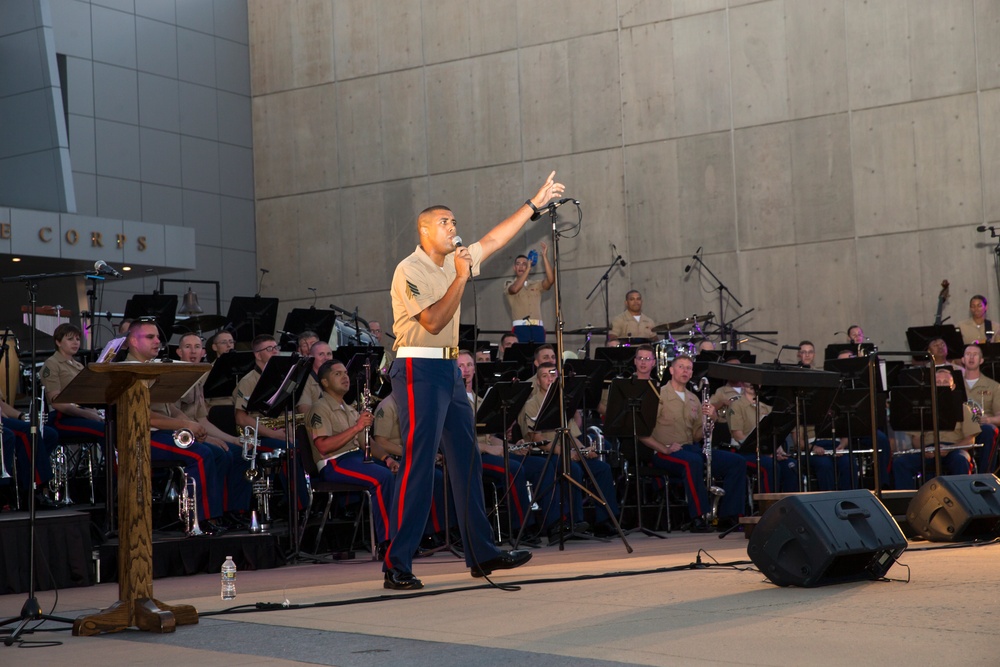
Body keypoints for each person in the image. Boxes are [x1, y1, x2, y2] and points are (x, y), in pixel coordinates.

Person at [382, 170, 564, 590]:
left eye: (455, 222)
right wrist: (462, 275)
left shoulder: (455, 259)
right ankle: (397, 563)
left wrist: (533, 205)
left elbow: (497, 238)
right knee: (419, 464)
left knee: (467, 459)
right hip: (417, 366)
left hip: (447, 368)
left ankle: (481, 554)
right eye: (445, 222)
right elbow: (430, 321)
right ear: (425, 229)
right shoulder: (410, 268)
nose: (454, 228)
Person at [124, 320, 229, 529]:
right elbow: (146, 417)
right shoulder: (129, 371)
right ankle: (198, 519)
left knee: (218, 453)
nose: (158, 341)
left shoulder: (154, 368)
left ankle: (217, 514)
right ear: (133, 341)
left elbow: (169, 408)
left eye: (157, 337)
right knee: (200, 454)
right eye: (150, 337)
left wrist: (194, 427)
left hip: (163, 433)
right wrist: (185, 425)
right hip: (143, 437)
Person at [639, 355, 747, 532]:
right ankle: (699, 517)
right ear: (671, 370)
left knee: (737, 462)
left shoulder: (693, 399)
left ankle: (729, 516)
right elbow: (642, 432)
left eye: (689, 368)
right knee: (693, 462)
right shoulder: (658, 395)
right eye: (681, 367)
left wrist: (711, 419)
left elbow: (698, 435)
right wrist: (664, 449)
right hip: (663, 452)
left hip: (691, 448)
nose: (685, 371)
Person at [519, 362, 620, 537]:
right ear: (538, 381)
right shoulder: (531, 405)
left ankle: (605, 521)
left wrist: (584, 450)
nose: (550, 379)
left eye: (553, 375)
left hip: (569, 452)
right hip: (548, 453)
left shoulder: (564, 402)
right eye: (545, 376)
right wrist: (568, 454)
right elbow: (538, 439)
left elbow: (572, 435)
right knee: (571, 469)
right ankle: (574, 521)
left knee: (602, 468)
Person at [306, 360, 393, 553]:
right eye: (337, 374)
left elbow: (366, 442)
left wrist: (388, 458)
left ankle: (408, 535)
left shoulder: (350, 408)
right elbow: (323, 447)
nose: (345, 377)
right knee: (382, 478)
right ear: (325, 382)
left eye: (345, 373)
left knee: (399, 472)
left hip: (356, 457)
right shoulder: (319, 408)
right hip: (335, 462)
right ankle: (387, 541)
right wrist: (357, 427)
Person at [174, 332, 252, 520]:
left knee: (240, 452)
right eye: (187, 347)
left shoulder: (198, 378)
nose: (193, 351)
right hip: (181, 435)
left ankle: (235, 510)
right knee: (219, 454)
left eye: (197, 347)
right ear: (178, 352)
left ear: (203, 352)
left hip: (198, 433)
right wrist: (207, 438)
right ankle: (210, 515)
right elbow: (176, 419)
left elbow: (202, 420)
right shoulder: (174, 377)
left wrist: (233, 438)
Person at [894, 367, 979, 489]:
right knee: (900, 463)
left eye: (945, 383)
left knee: (961, 460)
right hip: (929, 450)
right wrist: (924, 450)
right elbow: (916, 439)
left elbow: (970, 441)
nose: (942, 386)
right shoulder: (920, 408)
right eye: (938, 383)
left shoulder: (964, 408)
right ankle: (906, 502)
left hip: (954, 449)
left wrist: (950, 448)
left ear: (953, 386)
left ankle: (962, 500)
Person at [42, 323, 106, 446]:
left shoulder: (79, 365)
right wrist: (87, 414)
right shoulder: (52, 364)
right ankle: (113, 465)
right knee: (104, 429)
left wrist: (93, 412)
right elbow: (56, 401)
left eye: (77, 339)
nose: (75, 342)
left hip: (80, 413)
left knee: (112, 426)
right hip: (62, 417)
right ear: (58, 342)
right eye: (70, 339)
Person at [961, 344, 1000, 473]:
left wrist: (989, 420)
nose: (971, 357)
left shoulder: (994, 386)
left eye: (975, 354)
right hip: (959, 429)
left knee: (990, 430)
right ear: (962, 359)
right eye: (968, 354)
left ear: (981, 360)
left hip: (981, 428)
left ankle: (985, 475)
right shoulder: (954, 384)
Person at [504, 242, 554, 326]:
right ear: (514, 268)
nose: (521, 267)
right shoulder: (509, 283)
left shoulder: (536, 284)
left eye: (524, 264)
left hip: (537, 326)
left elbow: (550, 280)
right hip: (520, 326)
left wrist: (544, 257)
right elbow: (515, 289)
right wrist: (527, 269)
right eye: (518, 264)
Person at [296, 341, 334, 414]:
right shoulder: (305, 380)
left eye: (329, 354)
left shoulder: (335, 377)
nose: (326, 358)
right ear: (311, 357)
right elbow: (304, 410)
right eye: (321, 354)